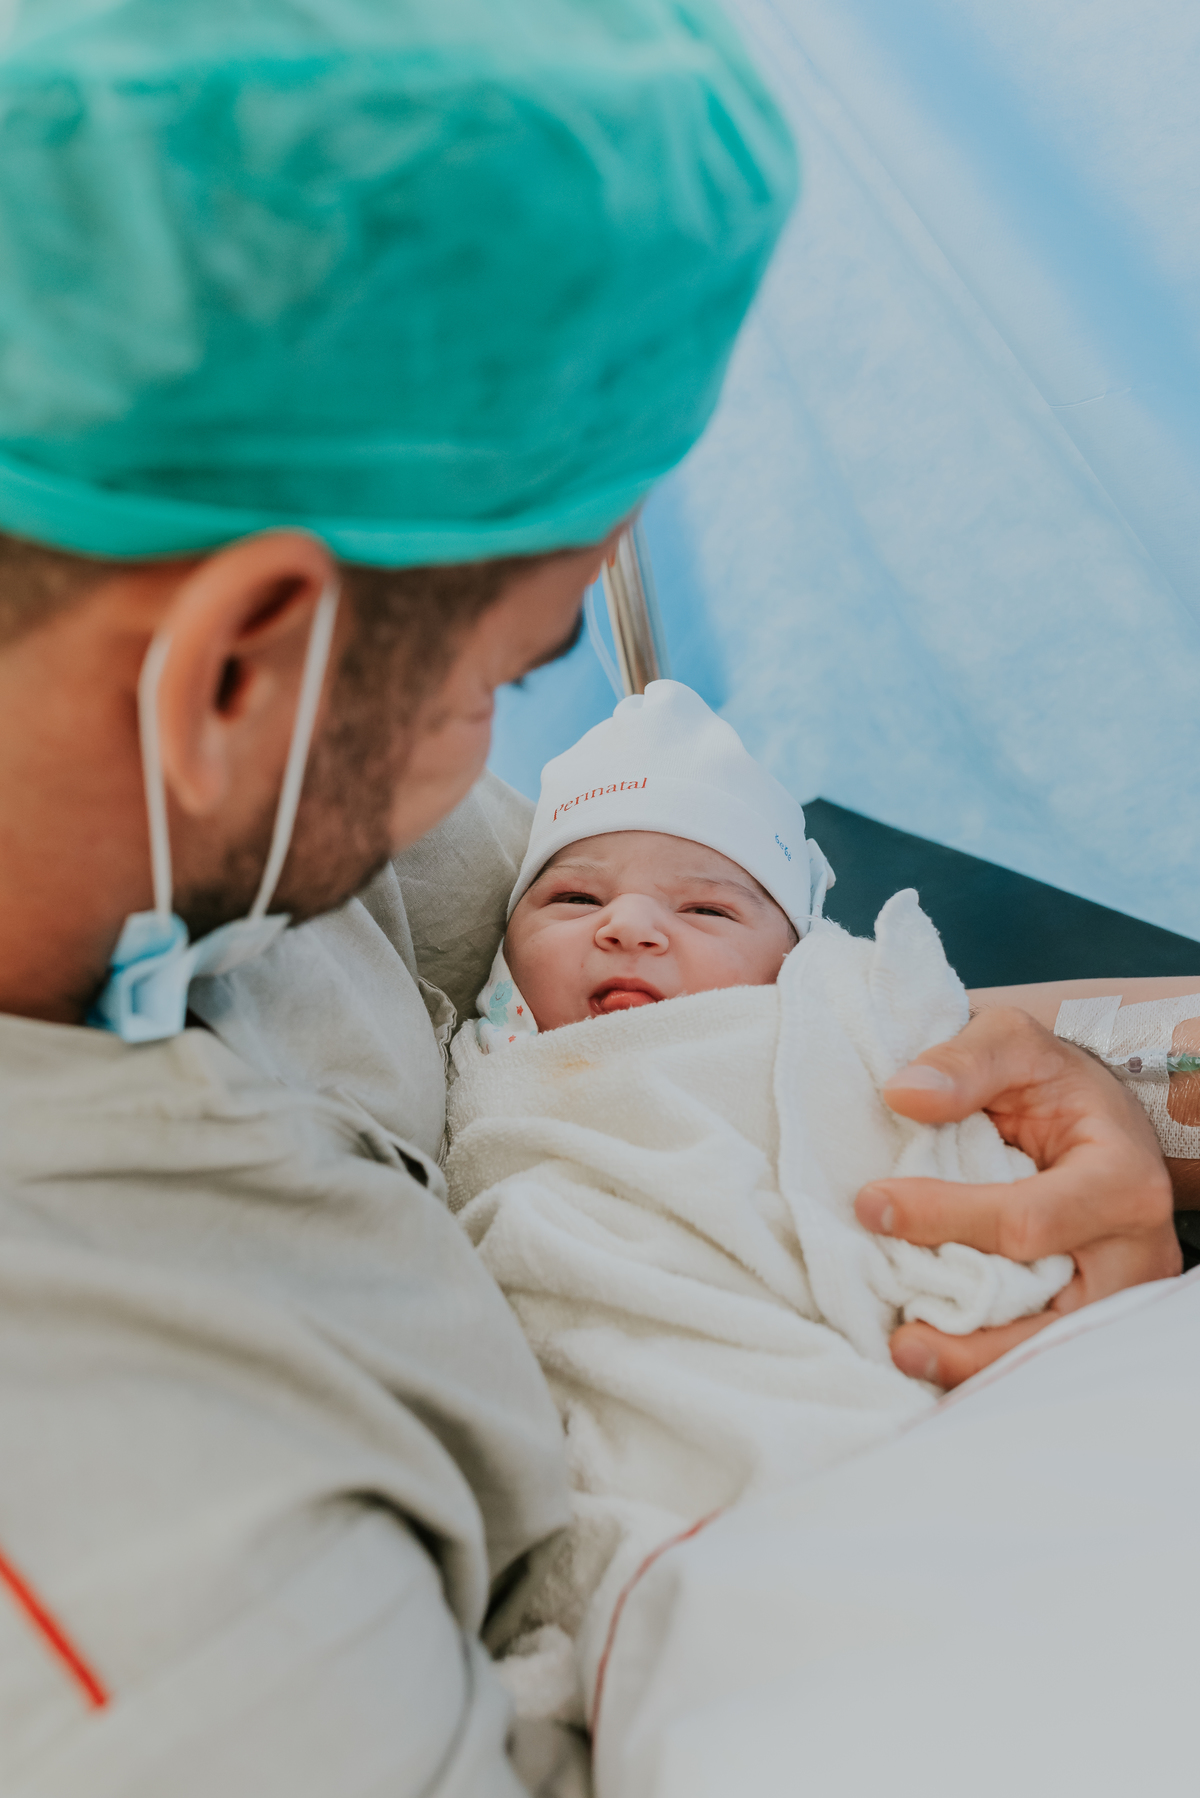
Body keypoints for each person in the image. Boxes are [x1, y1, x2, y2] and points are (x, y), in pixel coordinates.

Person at [0, 0, 1181, 1792]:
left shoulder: (269, 845)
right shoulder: (157, 1621)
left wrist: (1112, 1104)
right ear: (242, 670)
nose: (496, 760)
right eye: (510, 668)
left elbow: (716, 955)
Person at [445, 683, 1077, 1723]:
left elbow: (914, 1127)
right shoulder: (485, 1064)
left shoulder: (818, 1015)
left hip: (829, 1345)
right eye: (571, 900)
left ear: (789, 951)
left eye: (704, 908)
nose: (630, 925)